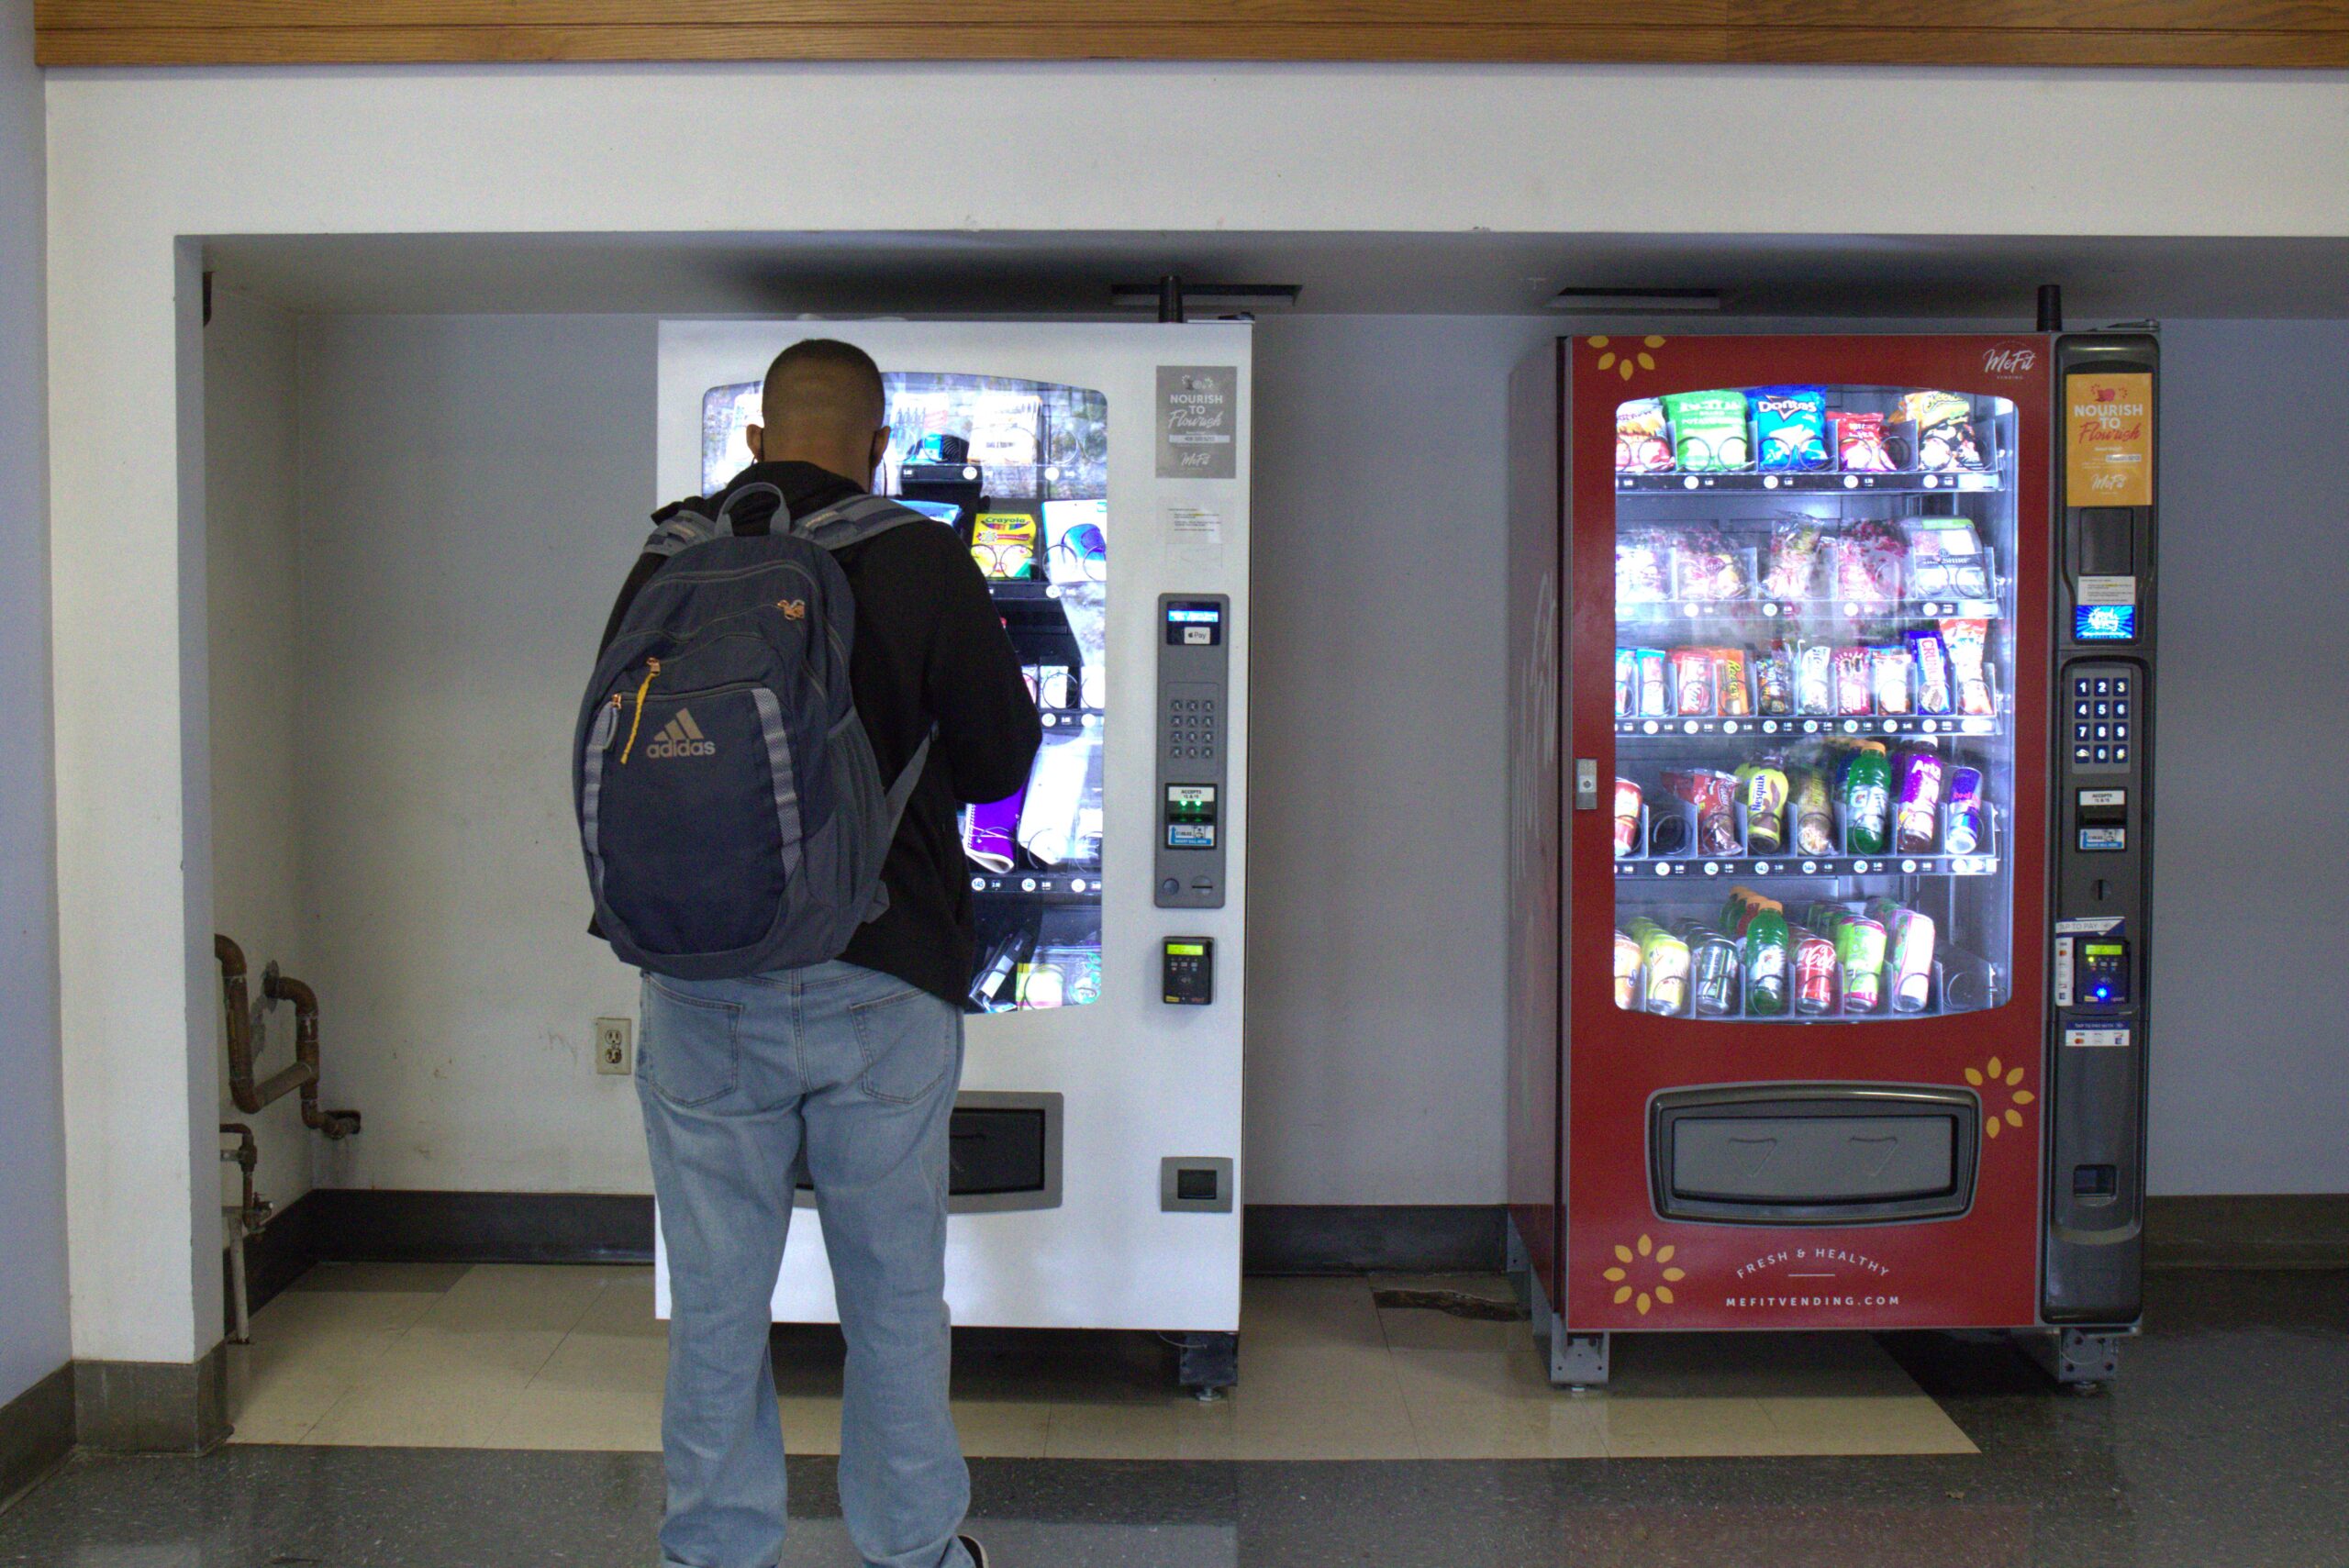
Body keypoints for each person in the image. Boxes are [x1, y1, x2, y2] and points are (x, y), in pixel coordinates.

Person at [602, 339, 1040, 1568]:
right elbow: (1003, 759)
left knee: (719, 1302)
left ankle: (715, 1548)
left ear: (756, 441)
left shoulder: (671, 552)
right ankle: (910, 1548)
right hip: (883, 978)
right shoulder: (917, 554)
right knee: (894, 1296)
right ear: (879, 443)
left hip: (698, 979)